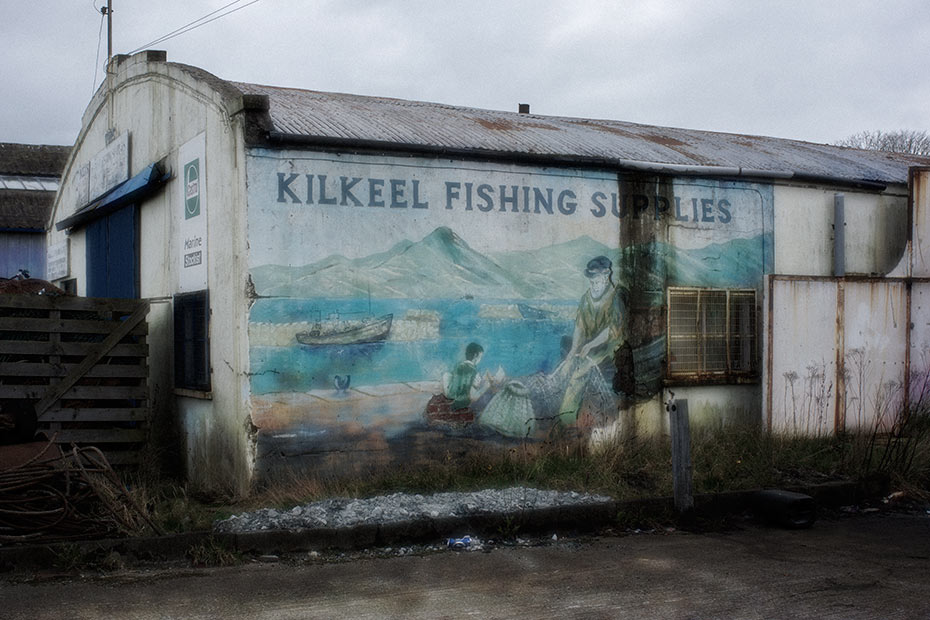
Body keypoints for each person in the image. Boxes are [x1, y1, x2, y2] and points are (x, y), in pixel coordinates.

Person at [556, 256, 625, 425]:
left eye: (597, 281)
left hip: (610, 347)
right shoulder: (586, 298)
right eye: (591, 281)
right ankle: (566, 417)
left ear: (606, 277)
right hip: (590, 345)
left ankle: (566, 420)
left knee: (578, 376)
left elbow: (612, 331)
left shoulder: (616, 297)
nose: (594, 285)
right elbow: (579, 326)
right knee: (567, 367)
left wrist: (590, 345)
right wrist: (572, 352)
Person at [444, 342, 491, 410]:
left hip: (451, 396)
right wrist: (485, 387)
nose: (480, 360)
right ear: (475, 356)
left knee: (446, 375)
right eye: (480, 357)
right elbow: (472, 395)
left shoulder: (458, 365)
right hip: (463, 402)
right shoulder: (473, 370)